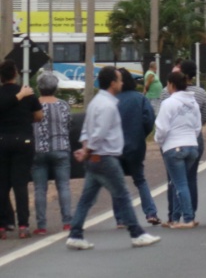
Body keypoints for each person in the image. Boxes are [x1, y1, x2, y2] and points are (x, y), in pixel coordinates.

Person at [66, 66, 161, 250]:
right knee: (123, 194)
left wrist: (85, 147)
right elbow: (100, 132)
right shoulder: (108, 105)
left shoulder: (96, 102)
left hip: (95, 158)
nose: (122, 82)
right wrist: (88, 149)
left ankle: (75, 233)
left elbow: (87, 128)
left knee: (87, 197)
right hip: (105, 157)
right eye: (119, 79)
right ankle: (137, 233)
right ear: (112, 83)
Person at [158, 60, 206, 224]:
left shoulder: (168, 101)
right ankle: (176, 217)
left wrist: (160, 141)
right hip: (192, 145)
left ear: (171, 85)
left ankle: (186, 218)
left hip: (174, 146)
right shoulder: (194, 100)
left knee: (178, 183)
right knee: (184, 180)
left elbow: (162, 127)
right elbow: (199, 124)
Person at [113, 68, 160, 226]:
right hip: (136, 146)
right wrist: (141, 135)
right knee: (140, 180)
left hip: (115, 148)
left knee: (117, 182)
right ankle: (150, 212)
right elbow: (149, 120)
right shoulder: (140, 98)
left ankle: (120, 218)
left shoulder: (111, 100)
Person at [0, 60, 39, 240]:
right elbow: (39, 115)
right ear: (15, 74)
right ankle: (23, 226)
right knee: (20, 185)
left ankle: (2, 226)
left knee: (2, 185)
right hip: (23, 141)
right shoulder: (27, 93)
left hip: (3, 141)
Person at [31, 72, 73, 236]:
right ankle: (67, 222)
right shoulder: (63, 105)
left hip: (39, 149)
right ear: (55, 88)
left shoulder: (33, 104)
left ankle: (41, 225)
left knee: (40, 189)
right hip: (60, 147)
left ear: (39, 88)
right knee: (63, 186)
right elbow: (69, 124)